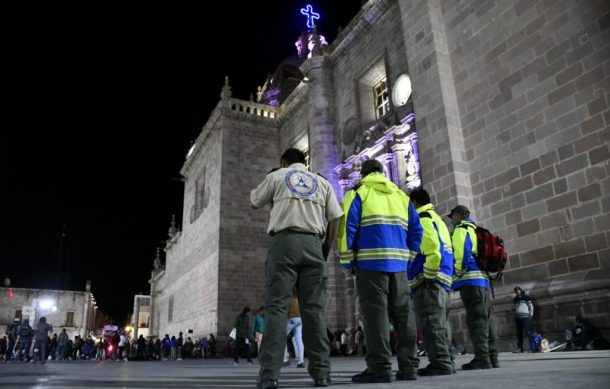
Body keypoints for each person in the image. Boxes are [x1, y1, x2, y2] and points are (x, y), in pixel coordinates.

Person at [251, 148, 343, 389]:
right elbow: (335, 217)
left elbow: (254, 201)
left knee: (277, 309)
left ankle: (270, 375)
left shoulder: (277, 176)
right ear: (305, 162)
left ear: (283, 161)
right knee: (314, 312)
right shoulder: (322, 182)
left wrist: (272, 184)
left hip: (284, 244)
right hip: (314, 244)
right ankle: (321, 375)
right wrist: (325, 248)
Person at [337, 158, 422, 383]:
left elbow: (347, 230)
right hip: (400, 266)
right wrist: (409, 258)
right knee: (404, 315)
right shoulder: (401, 196)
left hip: (370, 264)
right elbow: (416, 230)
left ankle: (380, 367)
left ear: (363, 175)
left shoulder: (357, 193)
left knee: (376, 316)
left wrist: (347, 261)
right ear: (382, 172)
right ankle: (409, 367)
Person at [409, 188, 455, 375]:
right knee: (442, 322)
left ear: (415, 203)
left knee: (430, 321)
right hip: (444, 277)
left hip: (429, 279)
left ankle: (440, 363)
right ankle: (448, 358)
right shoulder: (438, 219)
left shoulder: (422, 219)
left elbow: (433, 251)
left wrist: (427, 276)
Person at [449, 205, 499, 369]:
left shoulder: (461, 230)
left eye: (453, 218)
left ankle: (482, 358)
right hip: (483, 281)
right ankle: (493, 357)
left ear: (458, 216)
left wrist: (457, 273)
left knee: (476, 319)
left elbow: (462, 253)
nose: (452, 221)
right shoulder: (477, 231)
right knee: (487, 318)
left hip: (470, 280)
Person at [283, 292, 304, 368]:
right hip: (300, 318)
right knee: (298, 339)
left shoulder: (288, 297)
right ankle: (300, 361)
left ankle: (285, 359)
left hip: (292, 318)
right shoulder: (297, 297)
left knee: (282, 337)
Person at [513, 285, 535, 353]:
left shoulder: (526, 297)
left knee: (529, 332)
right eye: (516, 290)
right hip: (518, 318)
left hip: (525, 317)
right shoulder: (515, 299)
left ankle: (533, 347)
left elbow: (531, 307)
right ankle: (520, 348)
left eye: (518, 290)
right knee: (519, 333)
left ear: (521, 290)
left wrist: (530, 315)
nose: (517, 291)